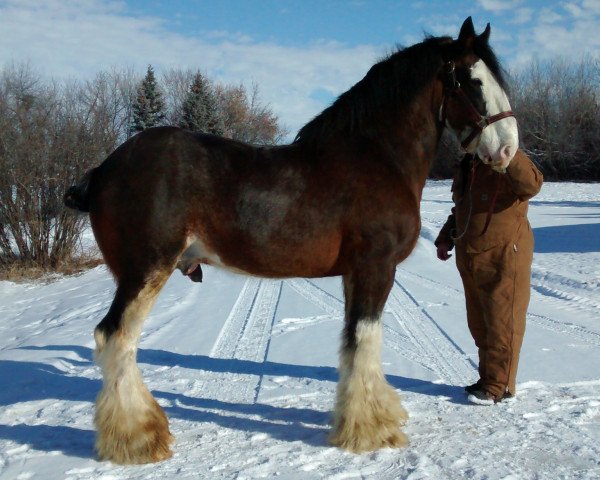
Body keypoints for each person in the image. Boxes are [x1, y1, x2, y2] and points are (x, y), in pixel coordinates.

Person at [435, 149, 543, 404]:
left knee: (502, 322)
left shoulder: (510, 158)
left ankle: (499, 385)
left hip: (504, 254)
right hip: (471, 255)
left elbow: (531, 185)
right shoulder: (469, 165)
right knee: (480, 323)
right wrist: (445, 238)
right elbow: (462, 208)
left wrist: (509, 155)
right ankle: (488, 378)